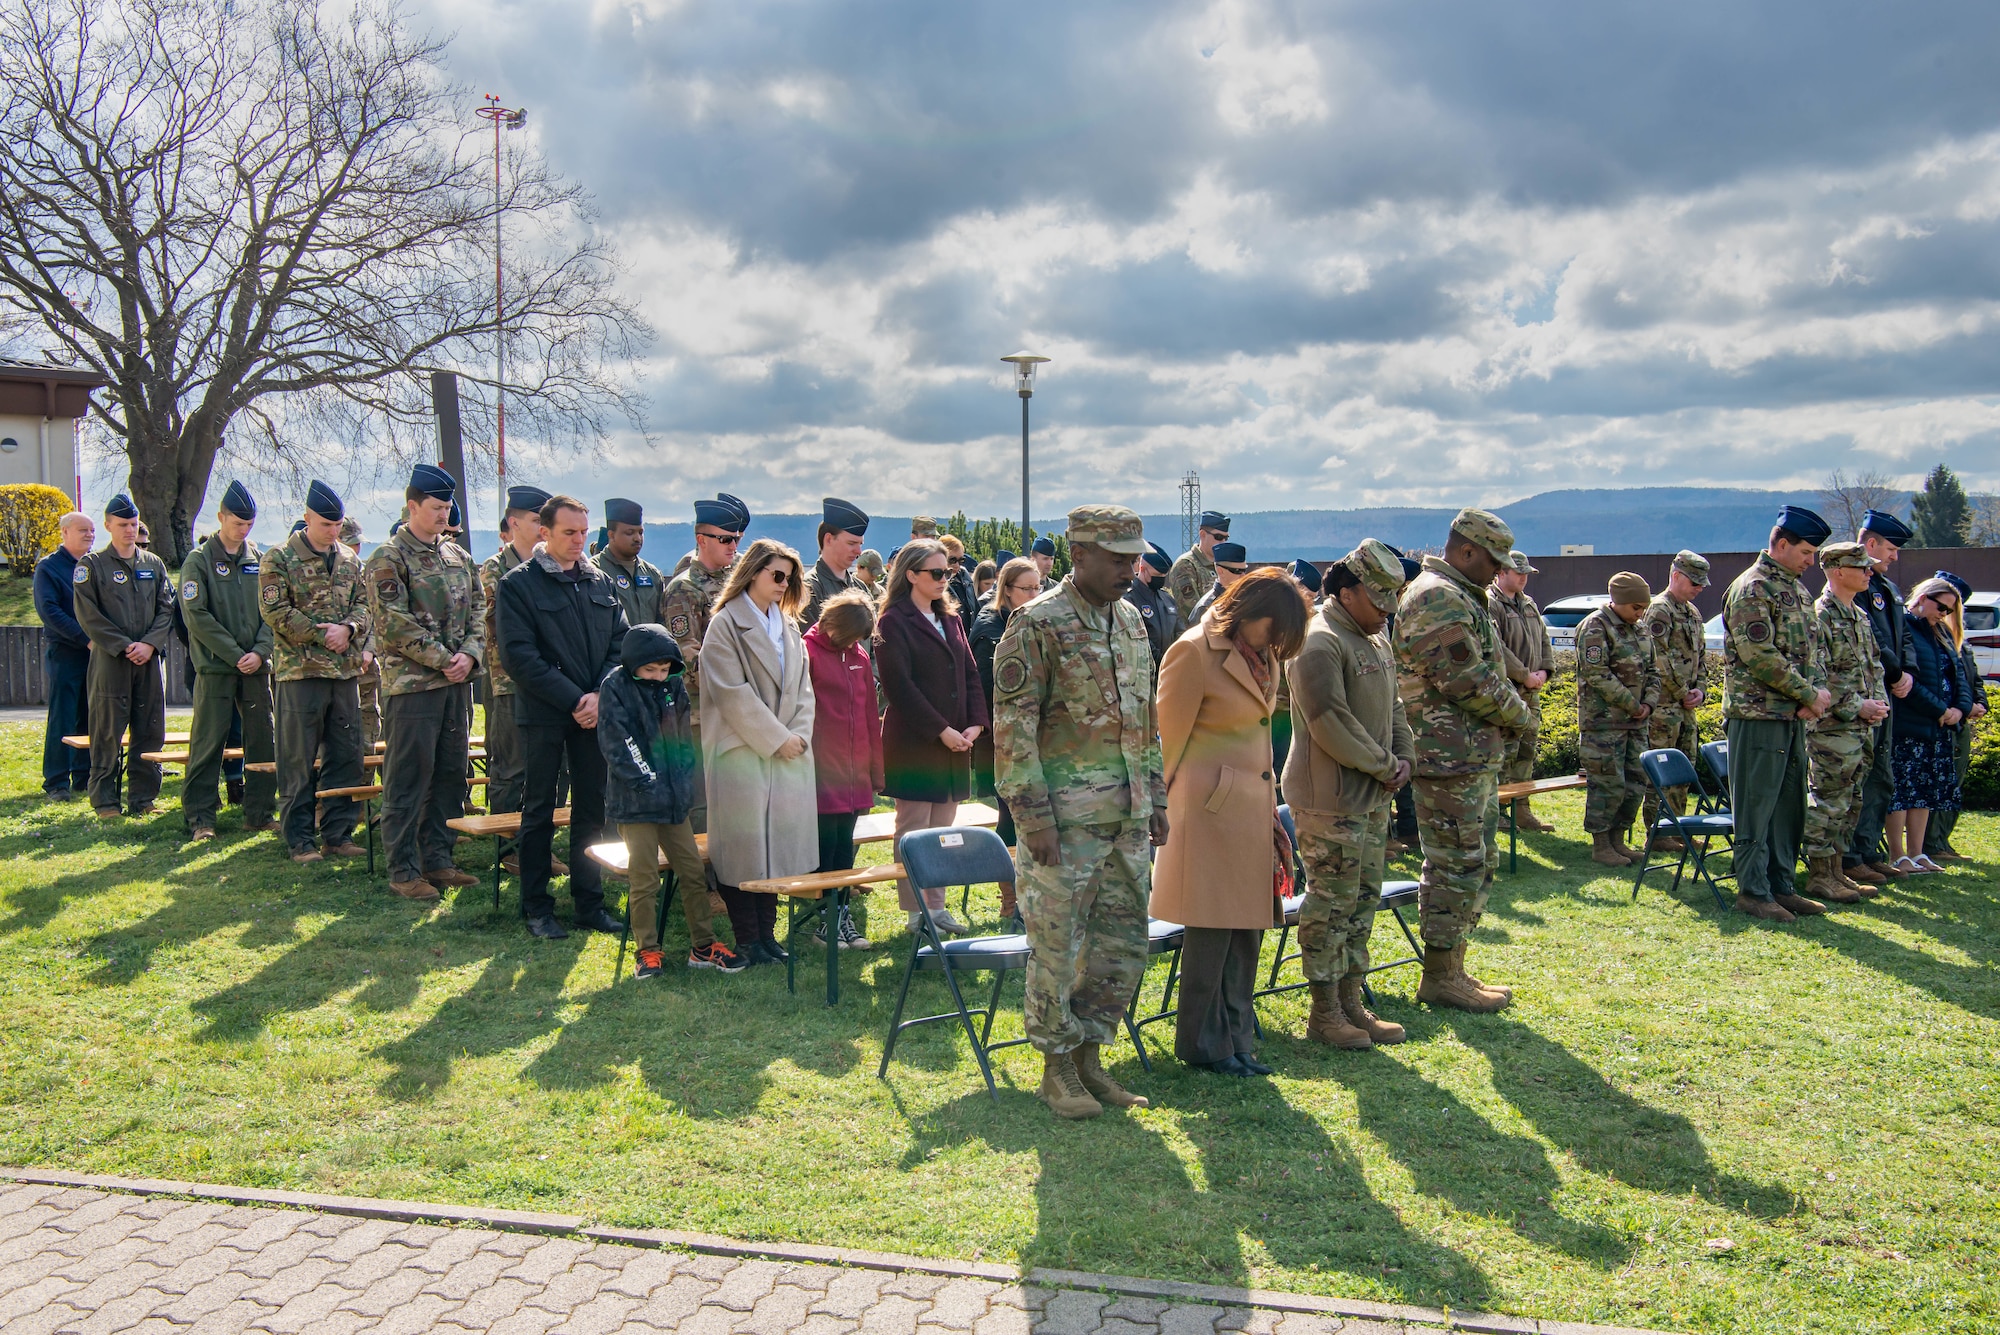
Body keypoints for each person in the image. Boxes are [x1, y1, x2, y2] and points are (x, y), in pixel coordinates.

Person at [992, 505, 1165, 1120]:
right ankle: (1057, 1066)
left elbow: (1145, 719)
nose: (1130, 569)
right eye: (1118, 559)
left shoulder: (1131, 623)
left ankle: (1092, 1057)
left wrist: (1157, 798)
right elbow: (1013, 730)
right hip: (1064, 824)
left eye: (1134, 557)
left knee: (1122, 945)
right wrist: (1032, 819)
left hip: (1127, 818)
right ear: (1080, 555)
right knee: (1058, 947)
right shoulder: (1037, 625)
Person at [1152, 567, 1309, 1076]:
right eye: (1276, 630)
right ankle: (1204, 1044)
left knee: (1249, 930)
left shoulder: (1264, 655)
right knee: (1212, 934)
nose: (1280, 644)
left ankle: (1239, 1039)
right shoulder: (1193, 651)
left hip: (1252, 809)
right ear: (1252, 612)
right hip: (1207, 815)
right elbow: (1168, 743)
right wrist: (1164, 812)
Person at [1392, 509, 1533, 1010]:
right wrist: (1520, 715)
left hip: (1466, 754)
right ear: (1465, 550)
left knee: (1474, 861)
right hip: (1447, 755)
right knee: (1455, 864)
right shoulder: (1436, 597)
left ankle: (1452, 966)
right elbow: (1466, 679)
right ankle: (1439, 975)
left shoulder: (1458, 594)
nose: (1499, 571)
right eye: (1492, 560)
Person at [1283, 540, 1413, 1050]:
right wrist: (1386, 766)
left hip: (1372, 794)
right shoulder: (1319, 640)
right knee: (1330, 904)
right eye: (1379, 600)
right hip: (1329, 799)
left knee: (1361, 902)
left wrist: (1406, 757)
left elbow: (1394, 705)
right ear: (1349, 590)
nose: (1387, 612)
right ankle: (1324, 1012)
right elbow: (1329, 722)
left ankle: (1352, 1001)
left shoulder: (1374, 636)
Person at [498, 495, 629, 939]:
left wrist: (598, 695)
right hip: (545, 714)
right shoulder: (519, 585)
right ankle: (537, 907)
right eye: (569, 532)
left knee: (592, 810)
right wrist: (575, 699)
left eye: (583, 533)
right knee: (539, 810)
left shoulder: (600, 583)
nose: (578, 541)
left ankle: (588, 903)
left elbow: (620, 645)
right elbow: (519, 656)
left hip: (594, 713)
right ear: (545, 533)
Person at [365, 464, 485, 902]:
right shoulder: (388, 558)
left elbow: (479, 611)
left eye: (447, 506)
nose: (443, 514)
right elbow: (392, 623)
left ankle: (439, 859)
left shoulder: (457, 555)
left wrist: (469, 655)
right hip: (414, 687)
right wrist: (443, 659)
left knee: (451, 775)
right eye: (436, 507)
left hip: (455, 684)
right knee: (408, 779)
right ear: (412, 506)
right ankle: (403, 869)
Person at [597, 623, 745, 976]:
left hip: (675, 801)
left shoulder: (674, 685)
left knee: (693, 872)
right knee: (645, 878)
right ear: (633, 664)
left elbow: (681, 739)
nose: (659, 676)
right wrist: (646, 780)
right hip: (636, 803)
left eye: (664, 670)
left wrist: (682, 784)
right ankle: (647, 951)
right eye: (650, 670)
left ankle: (704, 945)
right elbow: (618, 743)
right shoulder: (614, 687)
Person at [701, 537, 818, 964]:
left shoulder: (789, 626)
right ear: (753, 572)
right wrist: (777, 738)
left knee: (776, 848)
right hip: (742, 752)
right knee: (742, 849)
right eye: (777, 575)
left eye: (790, 577)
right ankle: (747, 937)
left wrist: (799, 735)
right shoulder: (725, 625)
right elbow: (732, 694)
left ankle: (767, 937)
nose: (784, 584)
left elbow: (805, 690)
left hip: (786, 751)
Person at [1721, 505, 1833, 923]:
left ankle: (1781, 886)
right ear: (1781, 544)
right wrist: (1807, 693)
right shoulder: (1753, 588)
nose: (1811, 561)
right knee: (1756, 805)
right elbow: (1758, 654)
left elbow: (1810, 651)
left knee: (1789, 807)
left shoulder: (1796, 590)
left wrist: (1814, 695)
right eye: (1805, 552)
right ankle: (1753, 890)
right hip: (1758, 716)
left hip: (1790, 716)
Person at [876, 540, 989, 935]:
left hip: (955, 741)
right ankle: (915, 914)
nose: (945, 579)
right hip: (917, 743)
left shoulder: (952, 619)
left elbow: (971, 676)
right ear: (910, 575)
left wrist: (975, 723)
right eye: (936, 573)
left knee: (944, 830)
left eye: (949, 572)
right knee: (915, 829)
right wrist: (941, 731)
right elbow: (899, 688)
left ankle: (937, 909)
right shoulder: (892, 621)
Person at [260, 481, 371, 864]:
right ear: (307, 518)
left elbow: (365, 605)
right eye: (326, 524)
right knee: (297, 761)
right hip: (300, 673)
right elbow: (275, 612)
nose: (334, 531)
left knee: (346, 757)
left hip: (343, 676)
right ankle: (300, 840)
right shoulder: (279, 558)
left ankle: (338, 834)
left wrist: (350, 630)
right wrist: (324, 636)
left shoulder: (350, 560)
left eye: (338, 524)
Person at [177, 481, 277, 840]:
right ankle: (201, 819)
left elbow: (272, 610)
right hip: (217, 667)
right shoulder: (198, 561)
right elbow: (196, 616)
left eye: (249, 523)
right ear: (221, 517)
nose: (244, 528)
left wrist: (260, 652)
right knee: (208, 743)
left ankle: (261, 812)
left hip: (255, 667)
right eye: (237, 521)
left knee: (263, 740)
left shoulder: (259, 559)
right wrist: (236, 655)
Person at [74, 494, 173, 819]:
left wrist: (150, 644)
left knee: (149, 730)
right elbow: (87, 614)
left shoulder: (153, 564)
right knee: (107, 731)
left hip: (148, 662)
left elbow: (166, 608)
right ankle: (105, 802)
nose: (130, 530)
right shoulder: (92, 566)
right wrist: (123, 644)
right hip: (111, 662)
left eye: (133, 524)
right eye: (122, 525)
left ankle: (143, 799)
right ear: (108, 526)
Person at [1801, 542, 1890, 902]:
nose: (1870, 572)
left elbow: (1874, 666)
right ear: (1839, 571)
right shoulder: (1819, 615)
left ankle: (1838, 870)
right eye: (1862, 567)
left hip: (1860, 727)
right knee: (1829, 801)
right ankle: (1820, 874)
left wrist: (1878, 702)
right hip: (1833, 728)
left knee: (1851, 800)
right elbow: (1815, 675)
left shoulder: (1859, 615)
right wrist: (1858, 705)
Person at [661, 493, 750, 841]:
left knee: (735, 795)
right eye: (725, 539)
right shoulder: (684, 588)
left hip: (738, 704)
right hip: (701, 709)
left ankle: (732, 872)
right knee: (703, 798)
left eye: (736, 539)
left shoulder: (738, 583)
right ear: (702, 540)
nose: (732, 546)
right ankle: (704, 884)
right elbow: (688, 655)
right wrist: (734, 686)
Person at [804, 589, 881, 950]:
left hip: (854, 771)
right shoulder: (808, 651)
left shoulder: (859, 656)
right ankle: (825, 919)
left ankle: (842, 915)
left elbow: (868, 715)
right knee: (827, 844)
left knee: (846, 847)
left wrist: (874, 770)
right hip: (822, 769)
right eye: (849, 635)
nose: (852, 642)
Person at [479, 485, 551, 871]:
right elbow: (493, 627)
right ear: (514, 523)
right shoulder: (494, 570)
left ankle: (538, 847)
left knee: (547, 769)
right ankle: (508, 851)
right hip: (508, 682)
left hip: (546, 684)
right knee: (510, 768)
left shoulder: (548, 565)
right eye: (538, 520)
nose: (543, 528)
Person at [972, 556, 1041, 929]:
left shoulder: (1030, 619)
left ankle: (1028, 895)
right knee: (1011, 817)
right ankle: (1009, 897)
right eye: (1026, 588)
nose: (1034, 594)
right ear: (1006, 589)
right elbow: (985, 689)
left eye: (1038, 587)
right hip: (1003, 739)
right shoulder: (990, 627)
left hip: (1033, 738)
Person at [1887, 577, 1971, 874]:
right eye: (1941, 607)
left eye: (1949, 612)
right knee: (1902, 792)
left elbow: (1959, 674)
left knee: (1924, 791)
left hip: (1937, 728)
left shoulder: (1941, 634)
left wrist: (1959, 710)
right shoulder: (1905, 626)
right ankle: (1898, 855)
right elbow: (1908, 681)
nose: (1943, 615)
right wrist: (1940, 710)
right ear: (1923, 597)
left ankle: (1918, 853)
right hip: (1909, 723)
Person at [1849, 508, 1915, 884]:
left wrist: (1909, 674)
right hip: (1868, 693)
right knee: (1861, 776)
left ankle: (1870, 851)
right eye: (1890, 548)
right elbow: (1871, 637)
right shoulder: (1858, 587)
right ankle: (1854, 854)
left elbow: (1901, 635)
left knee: (1881, 776)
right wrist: (1895, 672)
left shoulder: (1887, 588)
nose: (1894, 556)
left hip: (1887, 693)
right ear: (1870, 543)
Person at [1574, 573, 1659, 867]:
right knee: (1608, 784)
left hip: (1636, 723)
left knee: (1635, 782)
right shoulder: (1596, 627)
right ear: (1619, 601)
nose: (1640, 613)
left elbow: (1654, 672)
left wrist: (1648, 703)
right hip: (1604, 723)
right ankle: (1601, 844)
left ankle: (1618, 840)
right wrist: (1631, 704)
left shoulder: (1641, 629)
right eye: (1636, 607)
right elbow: (1597, 675)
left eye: (1643, 607)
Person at [1638, 551, 1710, 850]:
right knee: (1661, 772)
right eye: (1694, 582)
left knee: (1683, 773)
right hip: (1665, 708)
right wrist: (1682, 692)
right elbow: (1659, 659)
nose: (1699, 588)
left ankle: (1677, 827)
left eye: (1701, 583)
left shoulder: (1692, 613)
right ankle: (1657, 832)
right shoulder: (1659, 610)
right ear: (1676, 575)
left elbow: (1701, 658)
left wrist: (1701, 689)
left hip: (1685, 708)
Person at [1925, 570, 1988, 863]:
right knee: (1941, 782)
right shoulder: (1933, 636)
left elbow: (1972, 678)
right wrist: (1959, 707)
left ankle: (1942, 840)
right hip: (1944, 719)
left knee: (1954, 783)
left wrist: (1979, 703)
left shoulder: (1959, 639)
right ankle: (1932, 842)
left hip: (1961, 720)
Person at [1489, 551, 1553, 833]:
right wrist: (1524, 675)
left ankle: (1522, 808)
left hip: (1531, 692)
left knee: (1527, 751)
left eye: (1527, 572)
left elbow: (1544, 640)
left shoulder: (1529, 604)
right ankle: (1500, 810)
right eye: (1518, 572)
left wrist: (1544, 671)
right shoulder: (1491, 604)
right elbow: (1497, 647)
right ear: (1501, 573)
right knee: (1505, 753)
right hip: (1508, 691)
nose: (1524, 577)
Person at [34, 512, 94, 800]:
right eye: (83, 530)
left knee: (90, 713)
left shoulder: (96, 564)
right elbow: (50, 610)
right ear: (65, 532)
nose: (89, 535)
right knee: (64, 715)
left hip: (97, 652)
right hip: (67, 651)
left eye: (93, 531)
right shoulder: (49, 568)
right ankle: (57, 781)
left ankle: (85, 775)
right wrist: (85, 639)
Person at [594, 497, 669, 629]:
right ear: (611, 535)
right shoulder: (595, 572)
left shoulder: (652, 574)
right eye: (630, 533)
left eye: (640, 532)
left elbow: (662, 621)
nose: (637, 538)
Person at [340, 516, 382, 751]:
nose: (356, 548)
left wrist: (369, 650)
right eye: (350, 542)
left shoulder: (366, 573)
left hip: (365, 666)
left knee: (369, 733)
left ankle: (366, 786)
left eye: (357, 543)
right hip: (339, 664)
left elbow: (378, 617)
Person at [802, 497, 868, 627]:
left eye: (860, 544)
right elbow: (809, 643)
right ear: (829, 540)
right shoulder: (809, 589)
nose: (859, 551)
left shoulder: (861, 588)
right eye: (851, 543)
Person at [1123, 542, 1179, 676]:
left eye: (1163, 576)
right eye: (1158, 576)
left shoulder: (1167, 599)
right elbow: (1140, 641)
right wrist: (1164, 663)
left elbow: (1180, 632)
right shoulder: (1129, 599)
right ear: (1142, 569)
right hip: (1143, 673)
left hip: (1170, 670)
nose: (1161, 580)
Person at [1169, 510, 1229, 623]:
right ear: (1202, 534)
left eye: (1226, 538)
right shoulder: (1186, 565)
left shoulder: (1222, 566)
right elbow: (1193, 612)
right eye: (1218, 537)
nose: (1223, 542)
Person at [1188, 542, 1250, 623]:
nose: (1243, 576)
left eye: (1244, 570)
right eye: (1237, 571)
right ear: (1220, 571)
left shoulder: (1245, 600)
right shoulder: (1206, 607)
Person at [939, 534, 978, 631]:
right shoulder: (936, 582)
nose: (957, 565)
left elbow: (975, 610)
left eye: (961, 560)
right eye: (952, 560)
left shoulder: (965, 577)